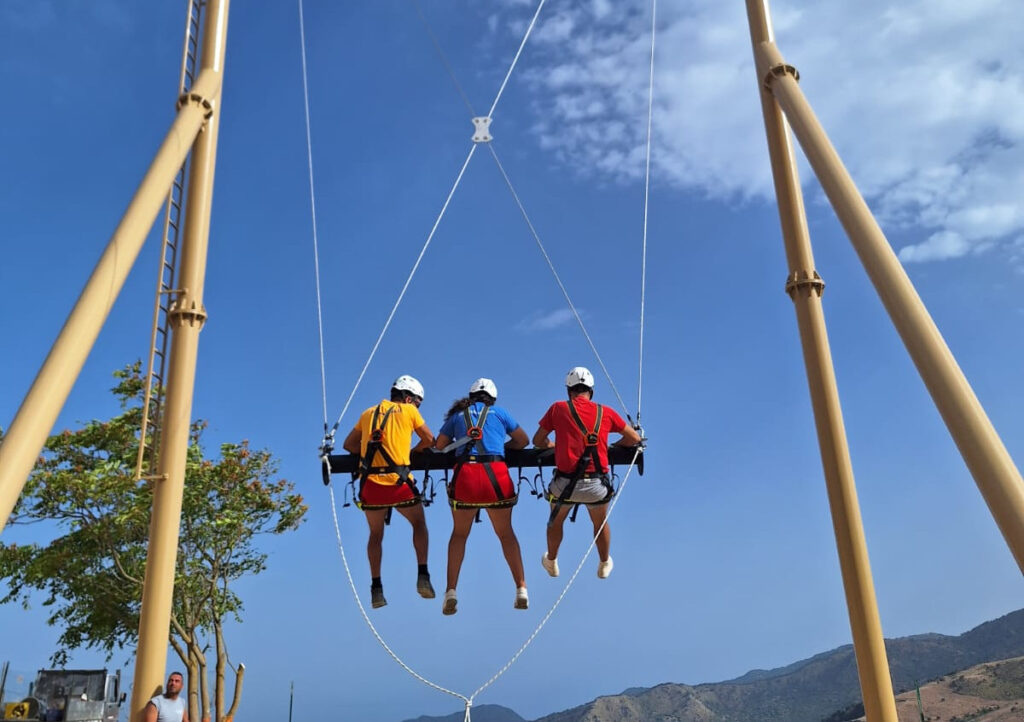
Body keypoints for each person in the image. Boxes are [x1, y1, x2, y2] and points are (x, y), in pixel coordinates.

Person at [532, 366, 641, 580]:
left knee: (555, 521)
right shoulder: (606, 412)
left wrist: (555, 445)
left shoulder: (558, 408)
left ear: (569, 391)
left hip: (564, 485)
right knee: (600, 523)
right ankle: (603, 562)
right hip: (596, 486)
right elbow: (634, 439)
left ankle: (552, 559)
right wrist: (613, 448)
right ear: (591, 390)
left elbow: (537, 441)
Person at [434, 378, 530, 615]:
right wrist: (499, 447)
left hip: (465, 477)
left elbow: (440, 444)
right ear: (492, 398)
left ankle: (451, 590)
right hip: (495, 477)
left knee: (459, 535)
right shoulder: (500, 413)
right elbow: (523, 440)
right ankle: (521, 588)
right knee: (506, 534)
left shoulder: (457, 416)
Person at [342, 374, 436, 609]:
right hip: (398, 484)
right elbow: (429, 439)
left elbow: (349, 445)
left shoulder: (367, 414)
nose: (417, 406)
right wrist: (412, 451)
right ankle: (423, 574)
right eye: (417, 402)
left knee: (375, 535)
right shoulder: (409, 411)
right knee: (419, 523)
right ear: (407, 398)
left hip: (370, 486)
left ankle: (376, 587)